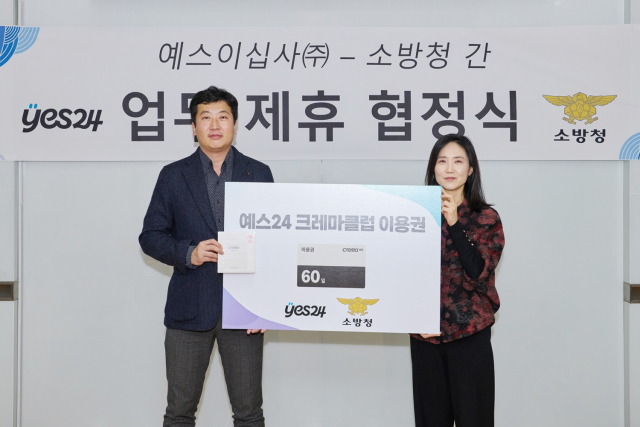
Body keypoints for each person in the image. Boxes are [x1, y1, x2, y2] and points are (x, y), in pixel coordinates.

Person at [139, 86, 273, 427]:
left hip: (244, 312)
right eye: (206, 117)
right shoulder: (173, 175)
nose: (215, 125)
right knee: (179, 413)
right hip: (189, 310)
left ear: (235, 124)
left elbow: (274, 244)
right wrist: (189, 252)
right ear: (194, 127)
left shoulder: (259, 173)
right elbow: (150, 237)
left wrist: (266, 306)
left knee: (249, 414)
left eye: (223, 117)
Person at [410, 134, 505, 427]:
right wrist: (413, 317)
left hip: (469, 336)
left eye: (458, 161)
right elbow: (401, 273)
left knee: (474, 419)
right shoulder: (414, 215)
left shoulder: (486, 218)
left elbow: (478, 273)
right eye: (442, 161)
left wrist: (453, 222)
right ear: (433, 168)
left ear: (471, 169)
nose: (449, 168)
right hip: (425, 337)